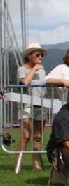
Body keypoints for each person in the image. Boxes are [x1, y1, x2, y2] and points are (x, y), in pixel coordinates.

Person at [17, 43, 49, 171]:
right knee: (25, 135)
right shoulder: (22, 69)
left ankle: (36, 163)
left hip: (41, 104)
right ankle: (18, 163)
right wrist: (34, 69)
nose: (40, 56)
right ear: (29, 56)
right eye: (37, 54)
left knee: (38, 136)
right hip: (27, 104)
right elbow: (24, 82)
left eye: (41, 55)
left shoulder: (42, 70)